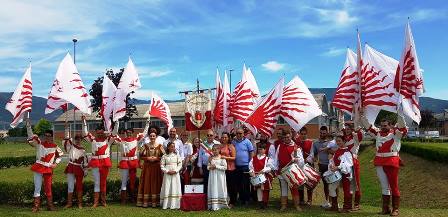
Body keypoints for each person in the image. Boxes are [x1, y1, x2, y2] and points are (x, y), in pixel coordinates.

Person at [361, 115, 407, 216]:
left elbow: (403, 127)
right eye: (381, 125)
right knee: (384, 186)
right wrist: (362, 114)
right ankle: (385, 208)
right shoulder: (378, 133)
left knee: (394, 186)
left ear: (390, 125)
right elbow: (368, 126)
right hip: (379, 162)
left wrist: (400, 113)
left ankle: (396, 209)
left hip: (391, 161)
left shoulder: (396, 133)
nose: (383, 127)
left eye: (385, 125)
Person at [26, 116, 63, 212]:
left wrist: (56, 163)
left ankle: (50, 206)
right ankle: (36, 206)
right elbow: (31, 136)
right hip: (38, 167)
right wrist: (28, 126)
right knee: (37, 187)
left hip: (48, 168)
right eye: (45, 135)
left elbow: (60, 156)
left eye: (48, 135)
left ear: (51, 136)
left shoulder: (55, 146)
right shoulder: (39, 143)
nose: (46, 137)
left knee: (48, 187)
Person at [81, 115, 117, 207]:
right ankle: (96, 202)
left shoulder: (108, 140)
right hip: (95, 163)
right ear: (96, 133)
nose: (100, 134)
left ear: (104, 132)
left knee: (103, 182)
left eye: (101, 133)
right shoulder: (92, 140)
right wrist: (84, 122)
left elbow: (114, 132)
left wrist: (116, 121)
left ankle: (103, 201)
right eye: (98, 133)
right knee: (97, 182)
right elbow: (85, 133)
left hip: (105, 163)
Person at [115, 120, 149, 204]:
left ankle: (132, 198)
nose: (129, 134)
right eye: (127, 132)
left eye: (130, 132)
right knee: (124, 181)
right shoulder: (121, 140)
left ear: (133, 133)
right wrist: (116, 124)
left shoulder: (136, 140)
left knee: (133, 181)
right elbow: (114, 135)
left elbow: (144, 134)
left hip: (133, 163)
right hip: (125, 163)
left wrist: (147, 124)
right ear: (125, 133)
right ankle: (123, 199)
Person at [275, 128, 304, 211]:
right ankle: (283, 205)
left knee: (294, 188)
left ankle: (296, 205)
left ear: (291, 136)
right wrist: (276, 169)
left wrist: (296, 160)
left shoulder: (296, 147)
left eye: (288, 137)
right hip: (282, 170)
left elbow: (301, 160)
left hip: (291, 171)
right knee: (284, 188)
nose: (286, 139)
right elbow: (276, 158)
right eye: (285, 137)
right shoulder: (280, 146)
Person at [307, 126, 336, 208]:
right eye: (321, 133)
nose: (322, 134)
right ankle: (327, 201)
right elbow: (314, 153)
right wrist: (313, 158)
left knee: (333, 183)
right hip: (322, 165)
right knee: (325, 184)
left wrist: (326, 149)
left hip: (331, 166)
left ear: (327, 133)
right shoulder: (315, 142)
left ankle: (334, 202)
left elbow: (336, 152)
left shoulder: (331, 142)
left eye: (324, 133)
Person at [63, 122, 88, 209]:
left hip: (79, 168)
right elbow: (66, 140)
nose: (78, 140)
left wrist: (85, 170)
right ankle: (69, 203)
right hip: (70, 167)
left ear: (81, 140)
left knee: (79, 185)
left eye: (79, 139)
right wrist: (66, 128)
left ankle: (79, 203)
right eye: (76, 139)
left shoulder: (83, 150)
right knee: (70, 185)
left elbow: (85, 162)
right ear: (74, 139)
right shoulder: (71, 146)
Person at [137, 132, 165, 208]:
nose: (152, 137)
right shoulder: (145, 146)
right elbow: (140, 156)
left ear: (156, 137)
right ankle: (146, 202)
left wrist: (157, 158)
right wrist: (147, 158)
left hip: (156, 167)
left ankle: (156, 202)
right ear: (149, 137)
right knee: (146, 183)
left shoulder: (160, 146)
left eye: (154, 136)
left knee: (155, 183)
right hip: (147, 167)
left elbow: (164, 157)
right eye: (151, 136)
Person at [327, 135, 354, 212]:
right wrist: (331, 165)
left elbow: (349, 164)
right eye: (337, 141)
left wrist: (338, 167)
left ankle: (347, 207)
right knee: (331, 188)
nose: (338, 142)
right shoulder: (337, 151)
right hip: (337, 173)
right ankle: (334, 206)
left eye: (340, 141)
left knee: (347, 190)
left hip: (346, 174)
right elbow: (333, 160)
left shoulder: (347, 152)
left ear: (344, 141)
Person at [343, 123, 364, 211]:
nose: (347, 130)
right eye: (346, 129)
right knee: (347, 183)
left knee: (356, 183)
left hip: (353, 161)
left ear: (352, 129)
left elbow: (361, 134)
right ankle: (348, 204)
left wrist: (358, 119)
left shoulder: (355, 138)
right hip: (345, 163)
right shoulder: (344, 139)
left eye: (349, 129)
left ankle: (356, 204)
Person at [232, 128, 255, 205]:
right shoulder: (233, 142)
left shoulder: (247, 142)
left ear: (243, 134)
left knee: (246, 183)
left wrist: (250, 163)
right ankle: (241, 198)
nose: (239, 135)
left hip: (245, 166)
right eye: (237, 133)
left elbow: (251, 152)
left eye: (240, 133)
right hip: (236, 166)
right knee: (238, 183)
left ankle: (247, 199)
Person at [249, 143, 274, 209]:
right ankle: (260, 203)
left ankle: (265, 203)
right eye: (259, 149)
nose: (260, 151)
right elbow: (250, 167)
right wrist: (251, 172)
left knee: (265, 190)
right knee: (258, 189)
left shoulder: (267, 159)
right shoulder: (254, 158)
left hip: (265, 177)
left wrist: (264, 170)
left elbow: (270, 167)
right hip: (256, 176)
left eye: (261, 149)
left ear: (265, 150)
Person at [160, 142, 183, 209]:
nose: (172, 148)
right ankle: (166, 204)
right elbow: (162, 165)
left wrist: (175, 171)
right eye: (171, 146)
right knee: (167, 186)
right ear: (168, 147)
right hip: (167, 174)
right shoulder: (164, 156)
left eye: (173, 147)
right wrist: (167, 171)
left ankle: (175, 204)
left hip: (175, 174)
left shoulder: (177, 156)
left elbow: (180, 165)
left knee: (175, 186)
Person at [296, 127, 314, 206]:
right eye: (301, 134)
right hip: (299, 165)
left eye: (304, 134)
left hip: (308, 164)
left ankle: (309, 199)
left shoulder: (310, 142)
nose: (303, 135)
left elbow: (312, 153)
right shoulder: (297, 142)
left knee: (309, 182)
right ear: (299, 134)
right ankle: (301, 199)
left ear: (307, 134)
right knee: (300, 182)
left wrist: (307, 159)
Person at [207, 144, 229, 210]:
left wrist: (216, 166)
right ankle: (214, 205)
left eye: (216, 150)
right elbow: (207, 167)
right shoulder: (211, 158)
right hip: (213, 176)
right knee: (213, 188)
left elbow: (225, 167)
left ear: (219, 150)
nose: (214, 151)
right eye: (213, 150)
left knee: (220, 188)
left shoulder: (222, 157)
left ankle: (221, 204)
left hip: (220, 176)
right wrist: (210, 167)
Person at [219, 132, 237, 208]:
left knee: (231, 186)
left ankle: (232, 201)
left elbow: (234, 157)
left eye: (225, 137)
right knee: (224, 185)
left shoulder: (231, 146)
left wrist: (225, 158)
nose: (224, 139)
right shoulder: (219, 146)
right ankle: (225, 200)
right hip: (222, 168)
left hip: (230, 168)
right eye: (222, 137)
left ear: (228, 138)